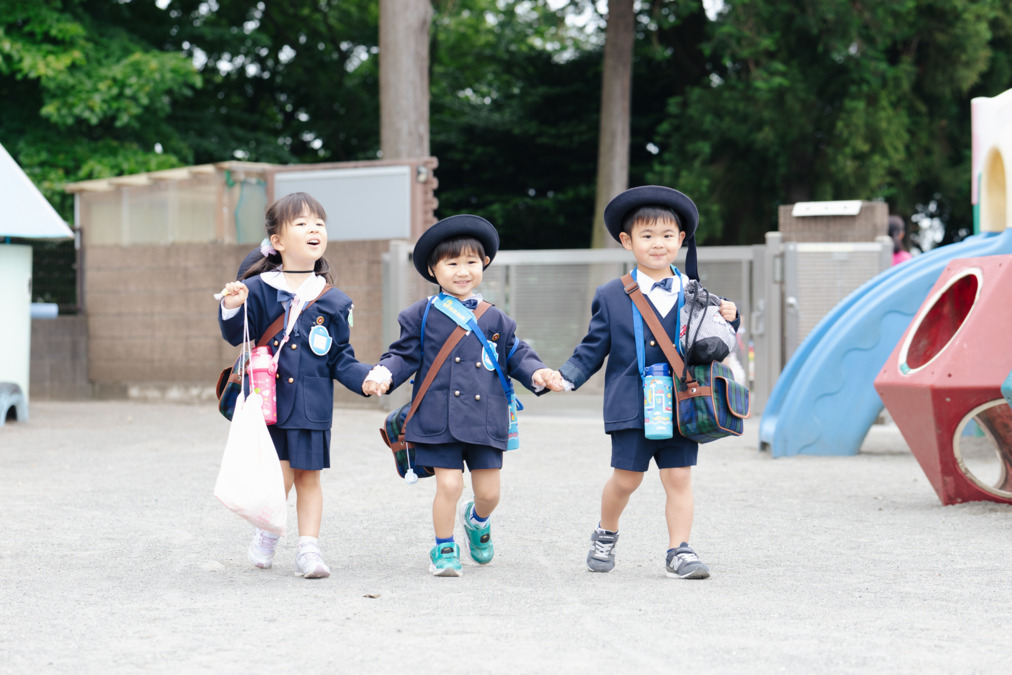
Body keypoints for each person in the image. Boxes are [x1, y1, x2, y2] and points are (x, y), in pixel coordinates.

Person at [547, 186, 740, 580]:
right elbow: (593, 348)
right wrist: (565, 377)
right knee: (626, 479)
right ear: (627, 241)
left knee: (679, 477)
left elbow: (716, 341)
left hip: (683, 402)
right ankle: (606, 533)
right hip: (631, 404)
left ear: (681, 239)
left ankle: (679, 550)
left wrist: (731, 318)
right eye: (647, 235)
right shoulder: (610, 294)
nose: (658, 244)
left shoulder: (697, 293)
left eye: (667, 235)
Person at [362, 215, 559, 577]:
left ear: (484, 263)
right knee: (449, 485)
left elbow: (516, 354)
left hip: (485, 419)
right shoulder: (420, 314)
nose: (462, 271)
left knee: (489, 494)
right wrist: (383, 373)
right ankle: (444, 548)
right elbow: (403, 354)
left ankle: (477, 520)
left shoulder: (496, 319)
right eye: (452, 263)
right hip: (438, 416)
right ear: (433, 270)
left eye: (471, 262)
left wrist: (539, 373)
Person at [217, 192, 372, 579]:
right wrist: (232, 305)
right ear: (278, 241)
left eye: (319, 223)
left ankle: (308, 550)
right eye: (301, 223)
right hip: (268, 402)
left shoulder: (335, 301)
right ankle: (269, 532)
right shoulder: (258, 289)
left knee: (309, 476)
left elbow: (340, 358)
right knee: (280, 474)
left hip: (313, 404)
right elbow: (237, 336)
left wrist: (366, 378)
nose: (313, 229)